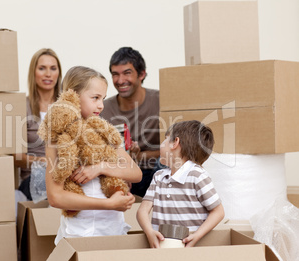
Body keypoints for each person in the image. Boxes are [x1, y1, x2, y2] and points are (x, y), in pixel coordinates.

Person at [41, 66, 142, 245]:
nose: (101, 105)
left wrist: (100, 167)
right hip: (79, 233)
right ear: (73, 97)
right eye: (95, 98)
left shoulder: (106, 132)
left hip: (112, 230)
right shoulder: (57, 139)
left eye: (102, 98)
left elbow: (135, 173)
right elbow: (55, 197)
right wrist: (109, 205)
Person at [136, 120, 225, 248]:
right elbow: (142, 211)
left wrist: (197, 235)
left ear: (175, 143)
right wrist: (149, 232)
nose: (161, 144)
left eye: (165, 140)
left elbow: (218, 212)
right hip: (163, 247)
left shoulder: (197, 176)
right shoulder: (159, 177)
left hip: (191, 249)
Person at [100, 47, 161, 198]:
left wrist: (140, 157)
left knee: (167, 163)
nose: (120, 81)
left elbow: (177, 148)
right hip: (119, 175)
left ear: (142, 74)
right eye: (115, 74)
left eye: (127, 73)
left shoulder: (161, 100)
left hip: (154, 174)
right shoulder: (102, 108)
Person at [15, 48, 62, 200]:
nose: (48, 74)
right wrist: (46, 163)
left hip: (64, 173)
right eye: (42, 68)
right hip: (34, 178)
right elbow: (17, 157)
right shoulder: (22, 106)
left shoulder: (67, 107)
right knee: (49, 182)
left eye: (53, 68)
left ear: (58, 73)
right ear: (33, 73)